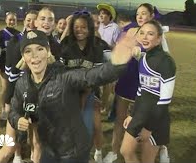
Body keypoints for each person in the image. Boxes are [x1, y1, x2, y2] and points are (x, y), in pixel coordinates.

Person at [9, 29, 135, 163]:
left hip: (73, 152)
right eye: (28, 51)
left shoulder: (65, 77)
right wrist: (17, 119)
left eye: (40, 49)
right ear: (23, 56)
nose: (34, 55)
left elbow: (93, 75)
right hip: (49, 150)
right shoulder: (22, 84)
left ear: (48, 51)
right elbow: (14, 110)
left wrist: (116, 65)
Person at [120, 20, 176, 163]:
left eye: (150, 34)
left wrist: (149, 128)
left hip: (156, 118)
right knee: (125, 151)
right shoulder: (143, 59)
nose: (145, 37)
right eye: (142, 33)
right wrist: (132, 115)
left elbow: (164, 101)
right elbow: (141, 90)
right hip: (140, 114)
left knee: (147, 160)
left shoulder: (166, 61)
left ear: (158, 39)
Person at [60, 10, 111, 163]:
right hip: (68, 91)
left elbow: (95, 79)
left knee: (94, 125)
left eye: (83, 27)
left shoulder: (96, 46)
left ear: (90, 28)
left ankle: (98, 150)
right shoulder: (66, 44)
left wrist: (83, 101)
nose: (79, 30)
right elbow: (61, 74)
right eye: (76, 27)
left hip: (90, 91)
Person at [0, 10, 38, 163]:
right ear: (24, 21)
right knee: (14, 133)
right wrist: (8, 98)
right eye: (28, 20)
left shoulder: (43, 42)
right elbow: (10, 76)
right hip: (18, 94)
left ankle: (34, 154)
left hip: (37, 96)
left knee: (35, 131)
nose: (30, 23)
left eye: (34, 20)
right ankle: (18, 155)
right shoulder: (15, 41)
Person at [0, 12, 21, 120]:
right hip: (4, 66)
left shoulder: (19, 34)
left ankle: (14, 109)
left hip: (16, 66)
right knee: (6, 88)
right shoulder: (1, 34)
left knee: (15, 88)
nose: (12, 22)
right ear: (6, 20)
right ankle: (4, 110)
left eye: (14, 20)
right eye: (10, 19)